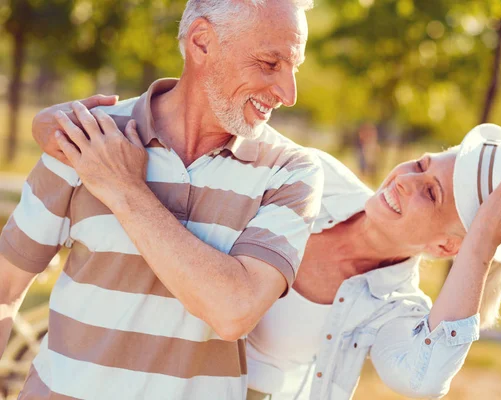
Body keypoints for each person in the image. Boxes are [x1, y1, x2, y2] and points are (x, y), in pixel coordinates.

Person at [30, 101, 501, 400]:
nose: (406, 179)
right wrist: (55, 122)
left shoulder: (392, 308)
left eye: (431, 193)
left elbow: (424, 379)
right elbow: (205, 136)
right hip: (151, 375)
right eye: (422, 164)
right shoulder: (315, 178)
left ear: (447, 244)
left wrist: (482, 247)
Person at [0, 1, 323, 399]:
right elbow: (5, 282)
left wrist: (126, 190)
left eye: (295, 67)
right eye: (270, 63)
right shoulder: (87, 137)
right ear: (202, 42)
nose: (288, 93)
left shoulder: (290, 172)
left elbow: (233, 310)